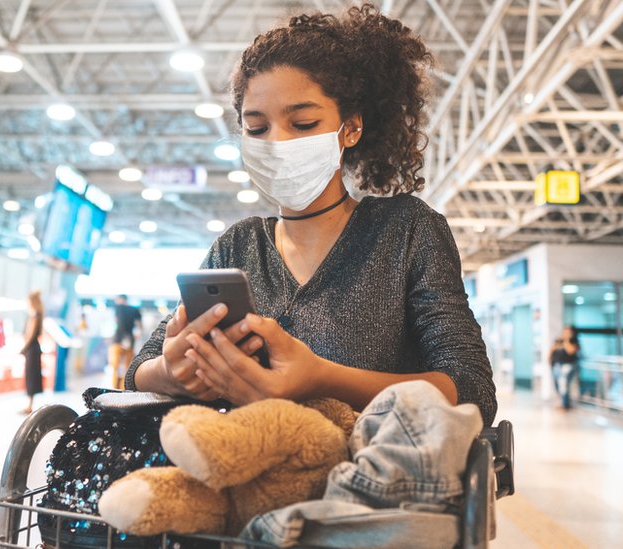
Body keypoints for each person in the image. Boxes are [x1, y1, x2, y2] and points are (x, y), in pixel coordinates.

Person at [125, 4, 497, 426]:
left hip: (376, 476)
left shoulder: (407, 230)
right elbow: (138, 370)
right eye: (257, 128)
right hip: (246, 472)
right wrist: (173, 373)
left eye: (302, 124)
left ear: (350, 128)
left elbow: (469, 389)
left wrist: (321, 379)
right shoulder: (238, 245)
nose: (277, 143)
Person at [109, 295, 142, 390]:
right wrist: (137, 334)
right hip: (130, 340)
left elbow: (115, 321)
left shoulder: (118, 308)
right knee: (127, 366)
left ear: (120, 299)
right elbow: (139, 325)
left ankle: (114, 386)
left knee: (115, 365)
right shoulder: (135, 309)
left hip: (117, 340)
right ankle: (123, 387)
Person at [20, 291, 45, 414]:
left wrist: (23, 348)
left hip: (31, 349)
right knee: (32, 376)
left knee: (31, 377)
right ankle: (29, 404)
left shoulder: (35, 316)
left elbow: (29, 335)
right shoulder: (38, 315)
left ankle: (29, 405)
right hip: (34, 348)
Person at [549, 326, 580, 409]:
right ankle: (561, 402)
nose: (566, 334)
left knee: (563, 383)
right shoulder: (558, 340)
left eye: (568, 332)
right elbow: (552, 350)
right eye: (565, 332)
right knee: (557, 384)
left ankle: (565, 404)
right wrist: (549, 361)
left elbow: (570, 351)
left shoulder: (574, 341)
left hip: (568, 365)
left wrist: (566, 340)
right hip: (557, 365)